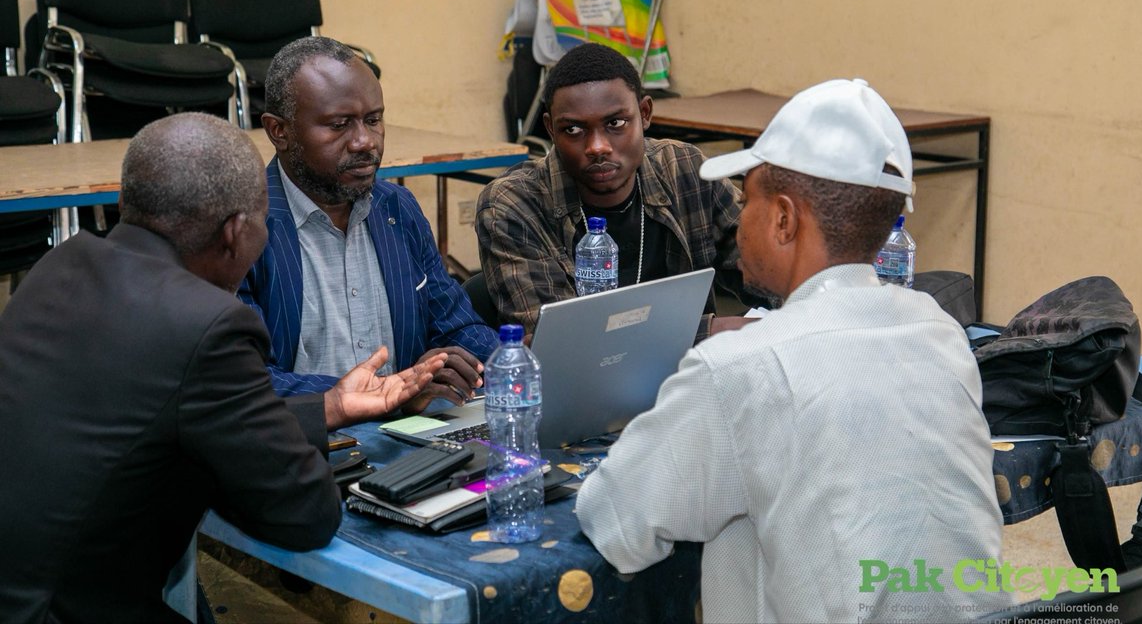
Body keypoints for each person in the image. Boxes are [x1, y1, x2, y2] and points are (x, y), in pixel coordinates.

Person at [575, 79, 1009, 623]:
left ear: (783, 219)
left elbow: (616, 521)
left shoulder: (739, 367)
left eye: (746, 201)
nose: (739, 220)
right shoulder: (940, 333)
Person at [0, 113, 440, 624]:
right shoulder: (208, 325)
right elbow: (305, 515)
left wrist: (329, 406)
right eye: (263, 224)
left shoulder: (60, 266)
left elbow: (159, 414)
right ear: (234, 233)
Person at [239, 36, 495, 407]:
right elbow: (243, 380)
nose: (365, 141)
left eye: (373, 120)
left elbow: (456, 325)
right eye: (338, 125)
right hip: (305, 436)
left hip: (410, 428)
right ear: (279, 131)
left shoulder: (397, 208)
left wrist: (504, 362)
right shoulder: (241, 227)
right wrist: (386, 394)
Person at [475, 42, 764, 335]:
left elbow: (768, 268)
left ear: (645, 113)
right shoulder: (515, 204)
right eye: (573, 129)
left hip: (695, 364)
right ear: (551, 129)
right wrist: (712, 330)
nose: (597, 147)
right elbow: (561, 340)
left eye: (615, 123)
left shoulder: (685, 169)